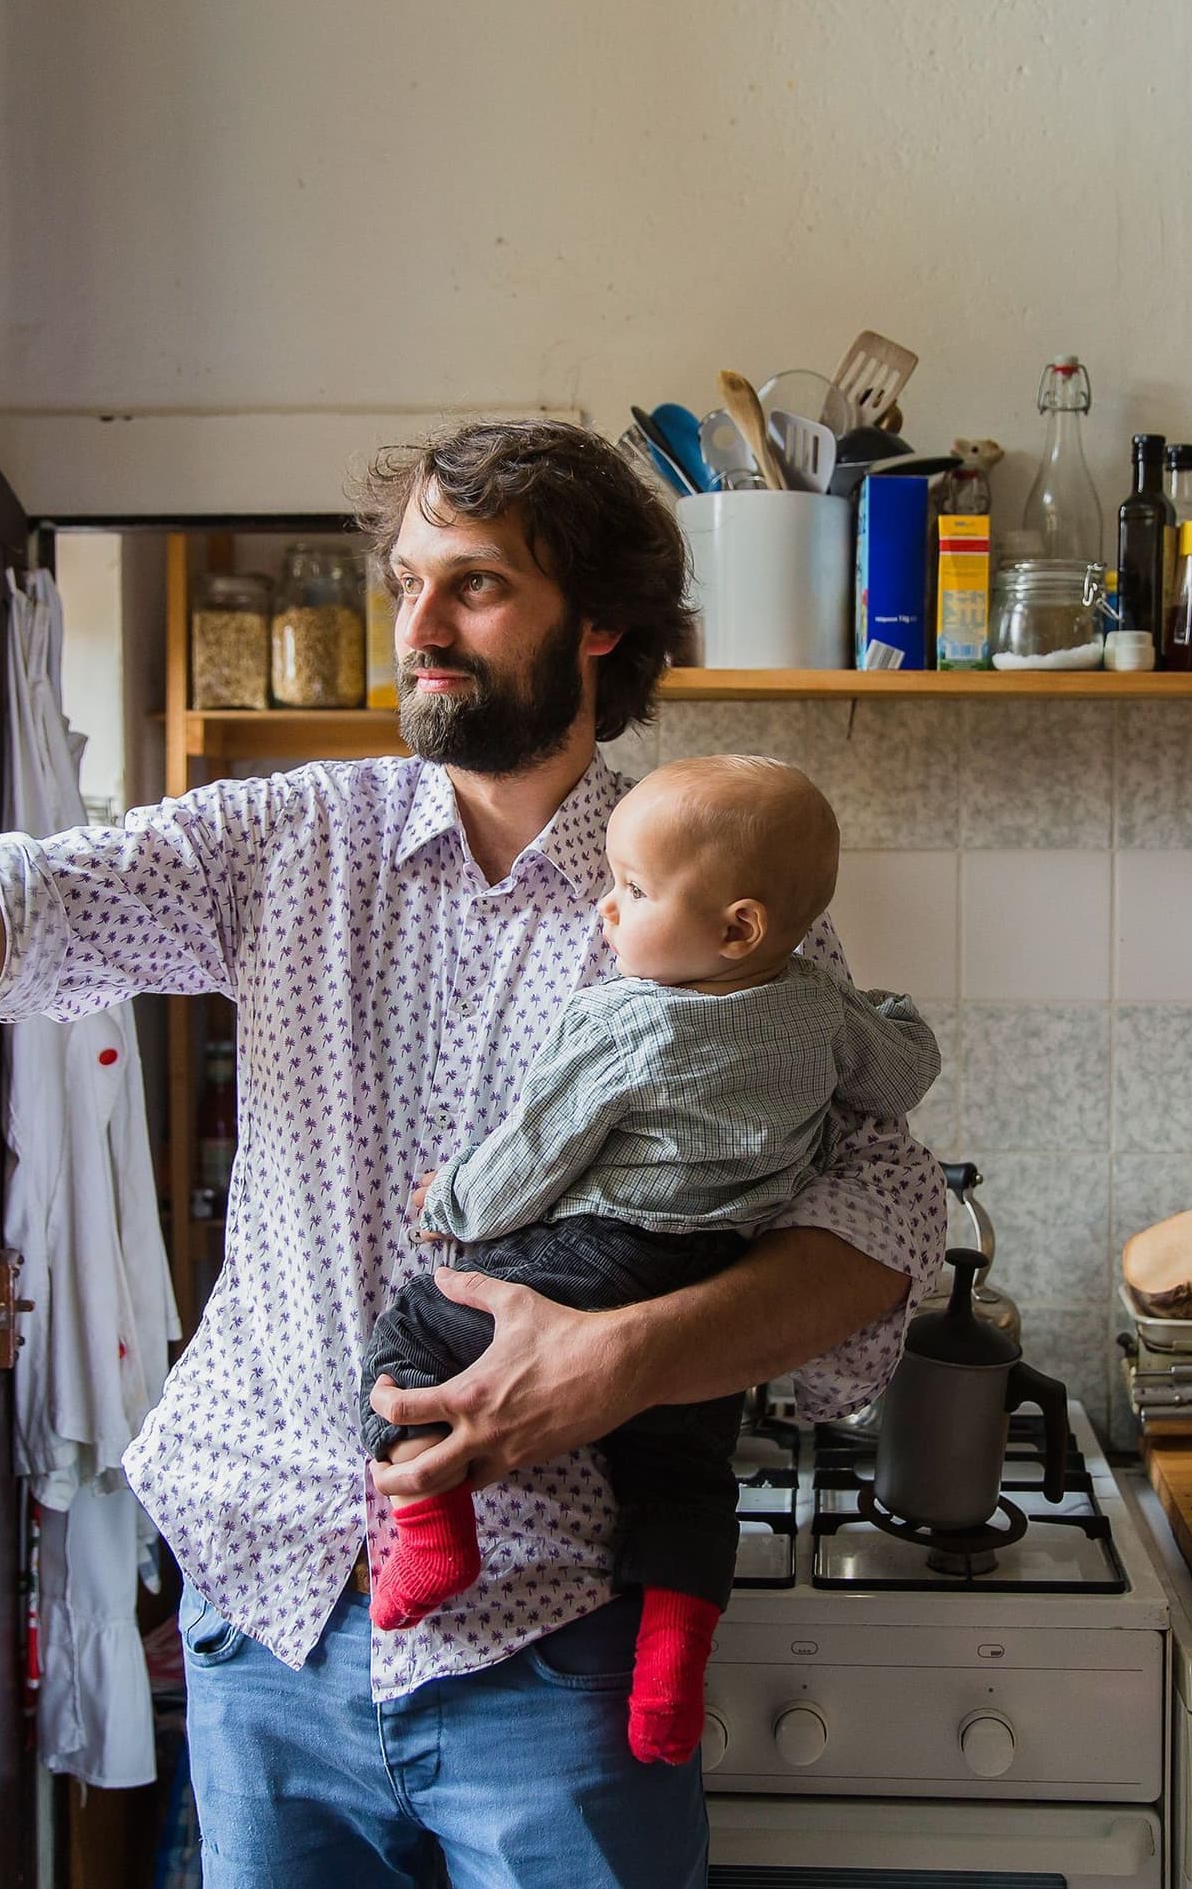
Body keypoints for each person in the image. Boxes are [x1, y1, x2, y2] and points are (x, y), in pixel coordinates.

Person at [0, 415, 945, 1888]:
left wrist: (628, 1360)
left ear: (600, 625)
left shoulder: (711, 886)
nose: (417, 627)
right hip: (270, 1634)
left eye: (473, 586)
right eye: (404, 580)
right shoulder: (290, 839)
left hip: (561, 1652)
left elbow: (887, 1209)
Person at [362, 754, 941, 1766]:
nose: (606, 910)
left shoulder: (621, 1020)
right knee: (682, 1479)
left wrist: (447, 1203)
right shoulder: (820, 1006)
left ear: (736, 928)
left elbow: (535, 1157)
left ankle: (434, 1531)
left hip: (601, 1254)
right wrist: (890, 1020)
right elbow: (899, 1080)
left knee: (412, 1335)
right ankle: (669, 1679)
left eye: (631, 891)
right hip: (716, 1282)